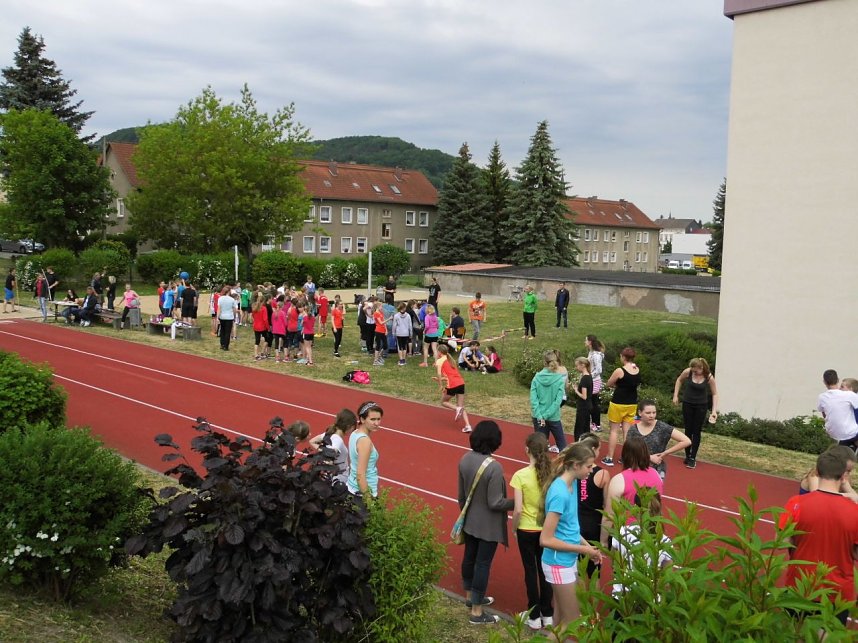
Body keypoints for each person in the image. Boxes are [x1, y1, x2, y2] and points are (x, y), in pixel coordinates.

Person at [780, 449, 858, 629]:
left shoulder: (796, 503)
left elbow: (782, 540)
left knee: (791, 633)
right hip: (836, 593)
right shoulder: (854, 510)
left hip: (799, 585)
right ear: (843, 475)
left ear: (819, 470)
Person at [539, 443, 602, 633]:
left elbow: (571, 528)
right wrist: (583, 550)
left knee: (559, 620)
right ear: (575, 465)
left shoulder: (572, 484)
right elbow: (546, 539)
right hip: (558, 563)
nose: (592, 471)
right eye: (589, 467)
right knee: (571, 623)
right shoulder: (560, 493)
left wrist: (587, 546)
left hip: (567, 561)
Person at [457, 420, 513, 625]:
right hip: (488, 526)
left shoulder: (464, 459)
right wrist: (518, 503)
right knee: (482, 564)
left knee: (470, 558)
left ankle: (470, 597)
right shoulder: (494, 468)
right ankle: (477, 612)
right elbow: (496, 502)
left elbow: (461, 496)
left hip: (470, 520)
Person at [510, 432, 554, 631]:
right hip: (545, 529)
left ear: (527, 449)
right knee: (544, 570)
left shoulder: (520, 476)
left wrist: (513, 527)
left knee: (530, 571)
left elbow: (518, 509)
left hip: (526, 529)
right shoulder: (552, 474)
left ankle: (533, 614)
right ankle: (548, 613)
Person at [602, 437, 664, 541]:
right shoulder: (656, 474)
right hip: (651, 530)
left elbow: (609, 514)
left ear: (625, 454)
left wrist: (603, 541)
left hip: (626, 534)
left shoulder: (619, 479)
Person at [672, 357, 719, 469]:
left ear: (701, 367)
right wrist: (675, 395)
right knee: (688, 429)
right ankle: (688, 455)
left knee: (696, 431)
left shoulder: (709, 377)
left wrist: (713, 411)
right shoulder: (687, 372)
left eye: (696, 369)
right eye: (692, 369)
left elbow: (715, 394)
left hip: (701, 405)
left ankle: (693, 457)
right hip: (688, 403)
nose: (694, 371)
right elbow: (679, 380)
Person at [627, 400, 692, 480]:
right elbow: (628, 450)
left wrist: (665, 453)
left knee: (653, 492)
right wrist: (649, 457)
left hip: (656, 469)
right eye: (648, 413)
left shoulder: (662, 427)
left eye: (654, 412)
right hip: (636, 467)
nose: (651, 415)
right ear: (640, 413)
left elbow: (686, 441)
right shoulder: (633, 429)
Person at [576, 433, 611, 577]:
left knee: (577, 570)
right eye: (598, 449)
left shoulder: (573, 469)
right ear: (592, 449)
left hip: (575, 522)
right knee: (594, 571)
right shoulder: (602, 474)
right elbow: (607, 506)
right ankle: (592, 599)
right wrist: (604, 540)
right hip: (594, 525)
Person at [602, 347, 642, 467]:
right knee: (627, 432)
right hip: (632, 403)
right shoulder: (637, 369)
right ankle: (625, 458)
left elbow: (609, 383)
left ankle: (609, 457)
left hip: (618, 403)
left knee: (614, 431)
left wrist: (616, 385)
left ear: (623, 357)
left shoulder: (620, 370)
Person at [530, 350, 568, 453]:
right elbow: (557, 401)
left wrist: (540, 416)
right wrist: (546, 415)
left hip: (538, 416)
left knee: (540, 448)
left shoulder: (536, 378)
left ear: (544, 362)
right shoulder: (559, 379)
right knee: (562, 446)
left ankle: (540, 467)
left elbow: (534, 399)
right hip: (553, 416)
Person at [309, 408, 358, 485]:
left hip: (334, 475)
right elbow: (331, 455)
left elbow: (312, 441)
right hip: (340, 477)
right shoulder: (338, 440)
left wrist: (322, 450)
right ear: (349, 426)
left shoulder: (328, 433)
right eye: (353, 429)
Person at [347, 401, 383, 498]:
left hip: (352, 487)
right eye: (372, 419)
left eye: (378, 419)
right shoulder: (364, 441)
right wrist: (369, 500)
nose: (376, 423)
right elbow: (360, 474)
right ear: (362, 419)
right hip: (363, 493)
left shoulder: (355, 433)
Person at [435, 343, 472, 432]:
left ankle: (457, 409)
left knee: (443, 402)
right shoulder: (451, 360)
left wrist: (440, 385)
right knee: (461, 405)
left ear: (440, 352)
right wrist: (439, 379)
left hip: (452, 385)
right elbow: (451, 375)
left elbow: (439, 374)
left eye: (437, 351)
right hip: (461, 383)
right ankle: (468, 426)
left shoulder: (439, 361)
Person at [817, 369, 858, 448]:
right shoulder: (850, 395)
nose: (840, 388)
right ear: (838, 380)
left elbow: (824, 414)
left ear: (824, 382)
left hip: (833, 433)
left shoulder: (821, 397)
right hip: (849, 433)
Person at [585, 335, 605, 432]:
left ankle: (596, 424)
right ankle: (593, 422)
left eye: (586, 340)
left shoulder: (596, 355)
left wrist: (589, 376)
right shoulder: (591, 353)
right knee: (591, 401)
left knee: (593, 402)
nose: (584, 342)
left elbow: (599, 370)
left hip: (594, 381)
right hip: (591, 380)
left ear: (590, 342)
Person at [572, 357, 594, 440]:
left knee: (579, 428)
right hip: (588, 405)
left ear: (583, 365)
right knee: (585, 427)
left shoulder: (585, 378)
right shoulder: (589, 376)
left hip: (583, 406)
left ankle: (578, 444)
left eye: (577, 365)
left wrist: (576, 390)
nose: (576, 367)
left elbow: (584, 396)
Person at [216, 285, 237, 351]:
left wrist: (217, 317)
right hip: (229, 317)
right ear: (228, 292)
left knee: (222, 331)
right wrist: (234, 316)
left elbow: (219, 309)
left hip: (222, 316)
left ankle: (222, 344)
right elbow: (234, 309)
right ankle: (226, 346)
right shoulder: (232, 299)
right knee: (228, 332)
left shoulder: (220, 298)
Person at [392, 302, 412, 366]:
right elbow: (410, 326)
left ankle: (401, 360)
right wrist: (411, 333)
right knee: (404, 347)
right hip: (406, 333)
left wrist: (393, 332)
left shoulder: (396, 316)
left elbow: (394, 325)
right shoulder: (408, 315)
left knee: (400, 347)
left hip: (399, 333)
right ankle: (403, 359)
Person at [251, 294, 270, 360]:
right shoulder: (264, 308)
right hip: (262, 327)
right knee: (267, 339)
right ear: (263, 301)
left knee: (257, 341)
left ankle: (256, 354)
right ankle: (262, 352)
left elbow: (253, 316)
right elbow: (265, 319)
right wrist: (268, 327)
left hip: (256, 326)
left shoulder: (254, 307)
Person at [371, 301, 388, 367]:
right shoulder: (376, 313)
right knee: (378, 346)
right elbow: (381, 322)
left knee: (385, 345)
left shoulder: (381, 313)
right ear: (378, 307)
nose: (382, 307)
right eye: (381, 306)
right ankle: (375, 361)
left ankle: (379, 356)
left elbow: (384, 322)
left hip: (383, 331)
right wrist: (389, 319)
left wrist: (386, 330)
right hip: (378, 331)